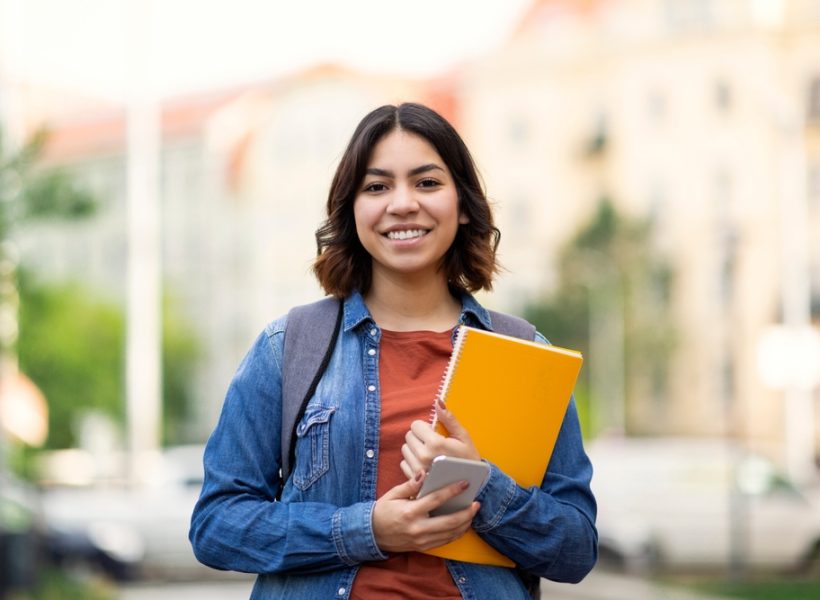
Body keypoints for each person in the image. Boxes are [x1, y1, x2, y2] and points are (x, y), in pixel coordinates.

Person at [189, 102, 597, 599]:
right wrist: (368, 531)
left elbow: (576, 550)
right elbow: (216, 526)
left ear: (463, 204)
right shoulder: (288, 347)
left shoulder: (525, 354)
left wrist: (482, 485)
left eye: (427, 183)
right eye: (377, 186)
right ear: (352, 210)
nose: (402, 204)